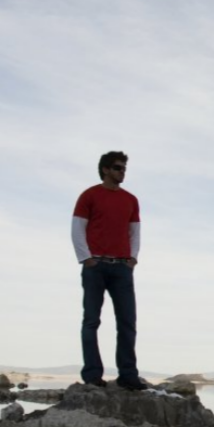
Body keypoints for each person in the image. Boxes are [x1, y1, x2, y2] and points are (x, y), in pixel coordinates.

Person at [71, 151, 146, 389]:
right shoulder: (89, 195)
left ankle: (128, 375)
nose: (121, 172)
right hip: (96, 267)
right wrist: (87, 259)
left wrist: (132, 259)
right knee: (91, 320)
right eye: (117, 168)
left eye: (124, 168)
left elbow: (135, 231)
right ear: (105, 169)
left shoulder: (130, 200)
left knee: (127, 321)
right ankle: (92, 374)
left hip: (122, 268)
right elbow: (77, 229)